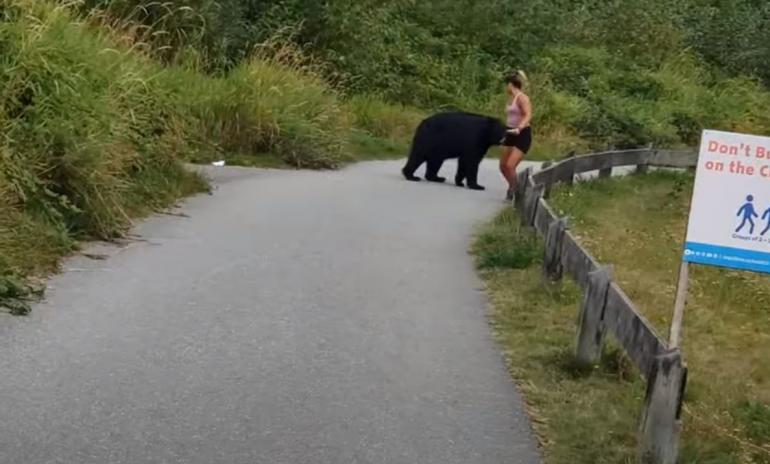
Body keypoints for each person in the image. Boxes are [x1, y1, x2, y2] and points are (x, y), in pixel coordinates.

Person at [500, 70, 533, 201]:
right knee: (502, 166)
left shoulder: (522, 98)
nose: (506, 88)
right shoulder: (511, 98)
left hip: (522, 133)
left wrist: (520, 127)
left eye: (506, 84)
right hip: (510, 132)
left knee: (510, 165)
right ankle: (514, 186)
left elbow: (527, 114)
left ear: (510, 84)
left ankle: (515, 191)